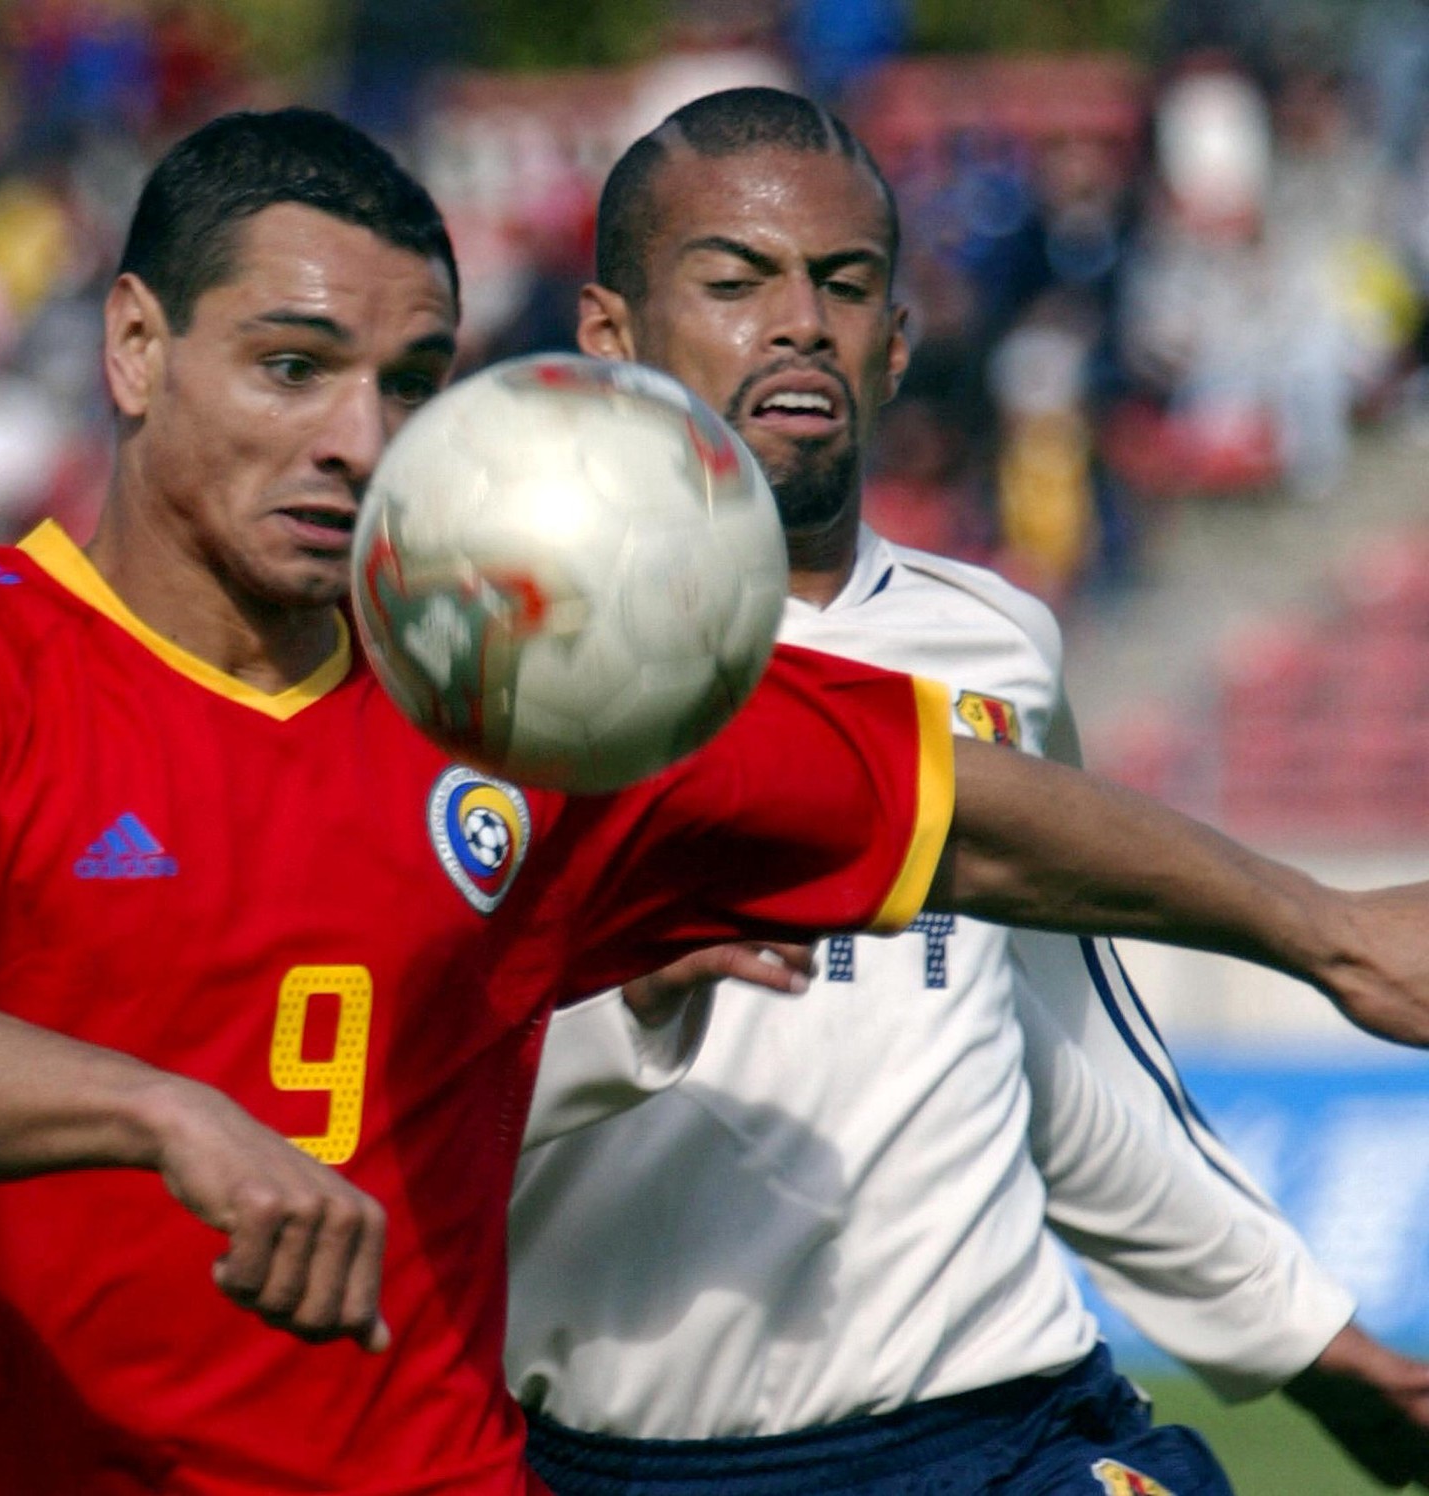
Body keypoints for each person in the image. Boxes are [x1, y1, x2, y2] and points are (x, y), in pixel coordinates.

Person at [0, 108, 1429, 1496]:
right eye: (293, 368)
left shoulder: (506, 678)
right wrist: (164, 1118)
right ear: (135, 347)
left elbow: (968, 805)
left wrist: (1327, 932)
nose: (361, 437)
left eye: (410, 384)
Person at [507, 87, 1429, 1496]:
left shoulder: (992, 644)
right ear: (610, 337)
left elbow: (1068, 1063)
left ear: (897, 346)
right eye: (737, 281)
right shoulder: (498, 673)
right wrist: (621, 1004)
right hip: (631, 1459)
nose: (800, 320)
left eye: (845, 283)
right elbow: (402, 1078)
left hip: (1001, 1429)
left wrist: (1315, 1346)